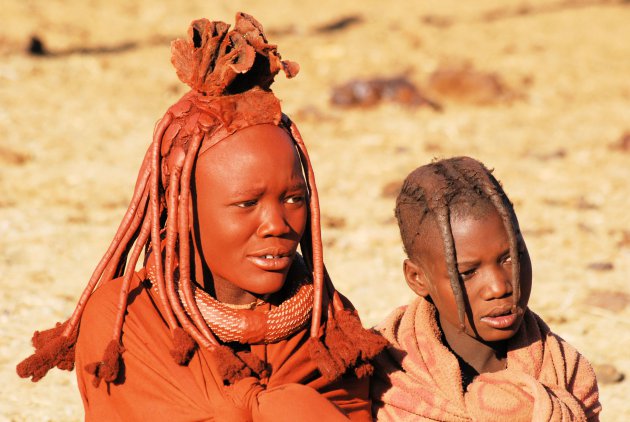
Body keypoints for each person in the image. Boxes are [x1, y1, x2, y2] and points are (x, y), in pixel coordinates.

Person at [17, 13, 386, 421]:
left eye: (294, 199)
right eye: (247, 204)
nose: (277, 224)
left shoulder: (328, 326)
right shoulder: (128, 321)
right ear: (183, 211)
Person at [370, 156, 601, 421]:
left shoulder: (565, 371)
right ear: (416, 278)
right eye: (467, 273)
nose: (499, 287)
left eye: (511, 258)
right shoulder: (383, 377)